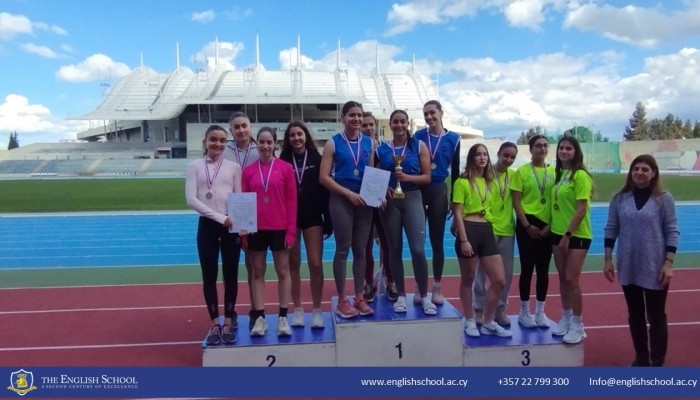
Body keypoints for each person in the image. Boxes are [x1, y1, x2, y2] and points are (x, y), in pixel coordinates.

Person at [604, 154, 679, 366]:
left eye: (645, 169)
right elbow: (611, 228)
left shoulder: (664, 198)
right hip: (628, 265)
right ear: (631, 172)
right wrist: (608, 258)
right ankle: (641, 358)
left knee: (656, 317)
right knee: (635, 316)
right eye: (636, 168)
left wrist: (669, 263)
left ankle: (657, 361)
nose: (639, 172)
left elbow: (672, 231)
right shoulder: (619, 198)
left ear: (654, 173)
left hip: (655, 265)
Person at [185, 125, 243, 345]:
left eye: (221, 140)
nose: (217, 144)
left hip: (231, 226)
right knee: (209, 276)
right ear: (205, 141)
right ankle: (214, 324)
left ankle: (228, 322)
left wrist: (243, 222)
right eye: (213, 140)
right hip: (208, 226)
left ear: (226, 142)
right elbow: (191, 199)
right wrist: (220, 218)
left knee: (231, 276)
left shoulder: (234, 167)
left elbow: (239, 197)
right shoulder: (194, 167)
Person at [375, 109, 435, 315]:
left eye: (403, 122)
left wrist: (407, 178)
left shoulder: (418, 146)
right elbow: (373, 176)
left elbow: (427, 177)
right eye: (395, 122)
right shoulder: (382, 149)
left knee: (418, 250)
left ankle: (424, 296)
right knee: (394, 249)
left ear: (407, 124)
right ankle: (400, 294)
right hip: (391, 203)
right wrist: (383, 189)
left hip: (412, 198)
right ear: (390, 125)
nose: (399, 125)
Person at [319, 101, 375, 318]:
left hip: (364, 201)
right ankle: (342, 299)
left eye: (359, 115)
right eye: (352, 115)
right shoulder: (332, 143)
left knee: (361, 250)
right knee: (343, 249)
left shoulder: (370, 143)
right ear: (343, 118)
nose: (357, 119)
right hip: (342, 199)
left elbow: (371, 173)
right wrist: (348, 193)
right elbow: (324, 178)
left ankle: (359, 296)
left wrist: (376, 195)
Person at [241, 127, 297, 337]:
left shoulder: (285, 168)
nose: (265, 146)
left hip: (279, 228)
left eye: (269, 142)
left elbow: (292, 202)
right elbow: (244, 203)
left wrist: (290, 232)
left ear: (275, 144)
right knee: (257, 272)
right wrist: (244, 232)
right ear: (256, 144)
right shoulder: (248, 171)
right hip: (256, 228)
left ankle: (283, 317)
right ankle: (260, 318)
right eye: (261, 142)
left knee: (283, 271)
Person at [452, 144, 512, 338]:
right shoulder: (462, 182)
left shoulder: (490, 182)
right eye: (478, 154)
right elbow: (458, 213)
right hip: (469, 230)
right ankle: (469, 319)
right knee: (468, 279)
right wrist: (464, 240)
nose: (482, 158)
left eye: (485, 154)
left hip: (486, 230)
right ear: (471, 158)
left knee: (499, 280)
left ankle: (488, 321)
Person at [279, 121, 331, 329]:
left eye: (299, 134)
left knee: (315, 263)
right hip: (289, 218)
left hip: (312, 216)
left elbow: (325, 189)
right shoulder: (282, 161)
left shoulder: (318, 159)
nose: (296, 138)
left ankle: (317, 309)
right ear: (288, 139)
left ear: (306, 136)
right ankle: (298, 309)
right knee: (293, 264)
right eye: (292, 135)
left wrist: (328, 219)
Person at [414, 100, 461, 305]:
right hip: (418, 191)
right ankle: (419, 286)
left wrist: (454, 200)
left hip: (439, 191)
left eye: (432, 113)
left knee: (436, 241)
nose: (429, 117)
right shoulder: (418, 136)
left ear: (441, 113)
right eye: (426, 114)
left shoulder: (454, 139)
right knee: (417, 242)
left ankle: (437, 287)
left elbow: (457, 172)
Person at [549, 136, 593, 344]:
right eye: (561, 148)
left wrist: (567, 235)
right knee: (562, 278)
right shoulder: (560, 174)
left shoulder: (580, 176)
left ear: (576, 152)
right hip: (557, 233)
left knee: (572, 279)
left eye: (568, 148)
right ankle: (565, 318)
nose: (564, 151)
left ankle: (578, 324)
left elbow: (581, 208)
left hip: (576, 235)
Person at [510, 134, 555, 329]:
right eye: (538, 146)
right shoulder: (522, 172)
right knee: (527, 269)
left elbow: (559, 201)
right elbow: (516, 201)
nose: (542, 149)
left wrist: (551, 226)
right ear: (531, 149)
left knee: (543, 271)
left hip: (548, 226)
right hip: (527, 224)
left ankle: (540, 312)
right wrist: (527, 225)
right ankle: (524, 311)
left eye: (545, 145)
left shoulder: (556, 172)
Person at [473, 142, 518, 326]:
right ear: (498, 154)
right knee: (481, 273)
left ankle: (500, 308)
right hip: (487, 229)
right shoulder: (485, 173)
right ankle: (478, 308)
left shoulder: (515, 176)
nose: (508, 159)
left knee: (505, 274)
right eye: (505, 155)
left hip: (507, 230)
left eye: (512, 157)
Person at [224, 111, 260, 330]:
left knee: (253, 266)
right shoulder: (224, 151)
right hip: (228, 213)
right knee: (230, 268)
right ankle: (230, 312)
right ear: (231, 130)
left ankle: (256, 309)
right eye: (236, 127)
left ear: (250, 127)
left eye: (244, 126)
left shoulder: (259, 150)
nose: (241, 130)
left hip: (252, 214)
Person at [360, 111, 396, 302]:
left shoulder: (384, 149)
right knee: (365, 247)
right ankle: (368, 284)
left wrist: (386, 188)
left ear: (376, 126)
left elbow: (388, 173)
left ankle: (391, 282)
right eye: (364, 125)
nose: (368, 128)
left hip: (383, 203)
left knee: (387, 244)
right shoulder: (356, 149)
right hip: (363, 203)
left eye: (371, 125)